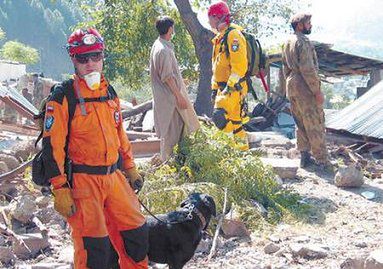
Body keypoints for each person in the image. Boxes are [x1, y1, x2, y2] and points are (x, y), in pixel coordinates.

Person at [42, 28, 148, 268]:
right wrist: (60, 188)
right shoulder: (63, 95)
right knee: (94, 250)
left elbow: (120, 133)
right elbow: (53, 146)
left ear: (102, 56)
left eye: (95, 56)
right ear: (73, 59)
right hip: (83, 183)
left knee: (137, 236)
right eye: (83, 58)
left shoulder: (109, 92)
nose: (90, 63)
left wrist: (130, 168)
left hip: (114, 177)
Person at [282, 13, 331, 169]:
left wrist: (290, 84)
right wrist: (317, 91)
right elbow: (308, 69)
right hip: (305, 86)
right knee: (314, 122)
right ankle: (322, 160)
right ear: (300, 25)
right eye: (308, 23)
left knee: (300, 122)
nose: (310, 25)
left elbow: (285, 68)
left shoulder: (288, 42)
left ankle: (305, 157)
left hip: (292, 84)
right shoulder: (303, 42)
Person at [149, 16, 200, 162]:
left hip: (166, 100)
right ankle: (169, 168)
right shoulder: (163, 50)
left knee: (173, 135)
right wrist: (179, 96)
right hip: (171, 102)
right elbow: (167, 77)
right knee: (172, 138)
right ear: (170, 29)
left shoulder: (158, 45)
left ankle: (172, 166)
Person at [208, 1, 249, 150]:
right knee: (236, 124)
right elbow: (217, 67)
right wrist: (214, 88)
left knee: (220, 119)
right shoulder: (220, 38)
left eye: (210, 17)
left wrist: (229, 86)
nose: (208, 21)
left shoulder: (233, 35)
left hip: (233, 88)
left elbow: (240, 66)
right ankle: (241, 154)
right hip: (224, 88)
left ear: (217, 17)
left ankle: (231, 153)